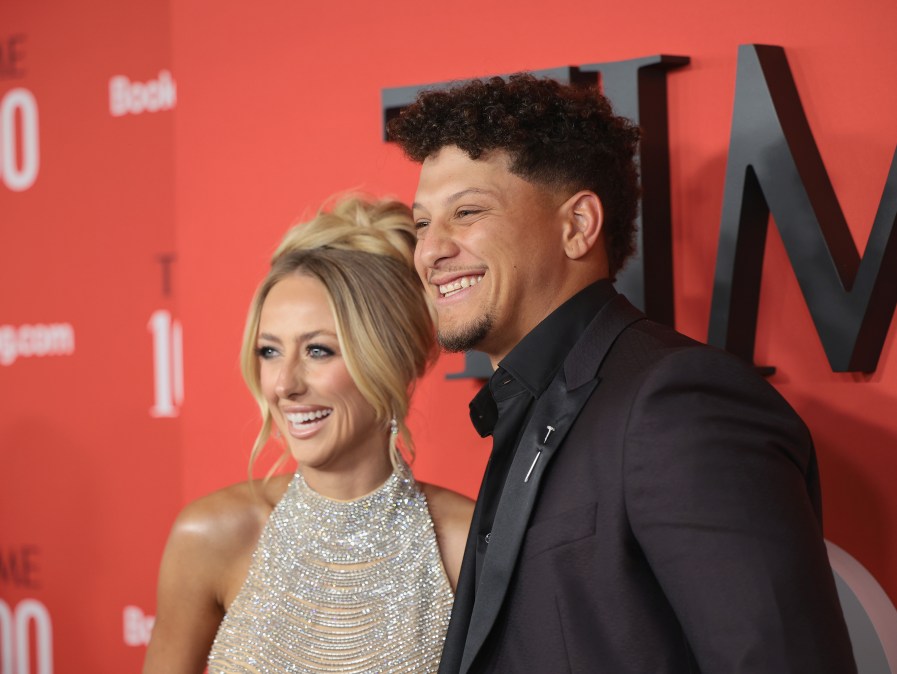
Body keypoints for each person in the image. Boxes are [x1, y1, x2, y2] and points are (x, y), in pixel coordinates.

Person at [387, 74, 857, 673]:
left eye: (467, 212)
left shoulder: (677, 401)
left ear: (578, 225)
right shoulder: (533, 406)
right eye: (422, 224)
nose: (430, 251)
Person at [142, 196, 474, 674]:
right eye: (269, 351)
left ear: (393, 360)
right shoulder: (211, 536)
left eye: (318, 351)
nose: (284, 385)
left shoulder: (465, 546)